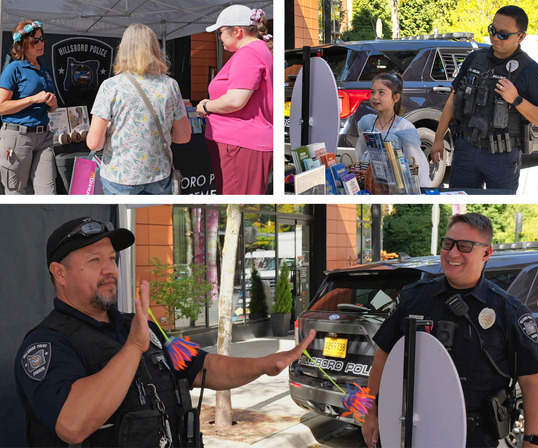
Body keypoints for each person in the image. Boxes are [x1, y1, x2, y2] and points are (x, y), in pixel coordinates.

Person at [14, 216, 315, 446]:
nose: (110, 270)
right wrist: (133, 348)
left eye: (112, 259)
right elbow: (72, 424)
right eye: (95, 260)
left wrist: (264, 364)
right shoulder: (47, 344)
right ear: (60, 273)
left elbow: (204, 367)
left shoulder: (141, 327)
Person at [362, 212, 538, 448]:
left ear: (486, 253)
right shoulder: (414, 298)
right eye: (448, 244)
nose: (453, 253)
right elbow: (383, 357)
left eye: (465, 246)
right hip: (411, 430)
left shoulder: (508, 311)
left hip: (474, 437)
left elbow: (532, 381)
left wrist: (531, 442)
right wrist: (368, 412)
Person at [431, 5, 538, 193]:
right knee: (458, 202)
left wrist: (516, 99)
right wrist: (438, 139)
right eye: (492, 30)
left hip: (502, 156)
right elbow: (453, 99)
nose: (495, 38)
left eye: (504, 34)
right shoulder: (474, 59)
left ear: (521, 37)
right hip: (466, 149)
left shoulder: (532, 72)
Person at [87, 23, 191, 195]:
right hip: (158, 175)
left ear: (123, 50)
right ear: (155, 49)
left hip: (120, 176)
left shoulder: (111, 86)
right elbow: (183, 136)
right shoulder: (170, 85)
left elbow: (94, 143)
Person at [196, 5, 273, 195]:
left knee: (237, 198)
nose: (219, 37)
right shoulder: (256, 50)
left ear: (237, 31)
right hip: (241, 142)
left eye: (221, 32)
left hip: (240, 143)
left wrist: (206, 106)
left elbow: (235, 100)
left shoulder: (248, 53)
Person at [0, 20, 57, 195]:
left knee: (48, 192)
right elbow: (1, 107)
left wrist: (53, 104)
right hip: (18, 137)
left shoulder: (45, 70)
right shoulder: (13, 69)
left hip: (44, 136)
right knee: (16, 192)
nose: (40, 44)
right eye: (35, 40)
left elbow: (51, 109)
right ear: (23, 44)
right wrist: (33, 99)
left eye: (42, 39)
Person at [356, 72, 431, 188]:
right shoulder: (367, 123)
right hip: (370, 184)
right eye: (373, 92)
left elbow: (416, 163)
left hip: (395, 187)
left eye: (381, 92)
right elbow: (361, 152)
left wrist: (423, 190)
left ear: (395, 97)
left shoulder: (404, 128)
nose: (375, 97)